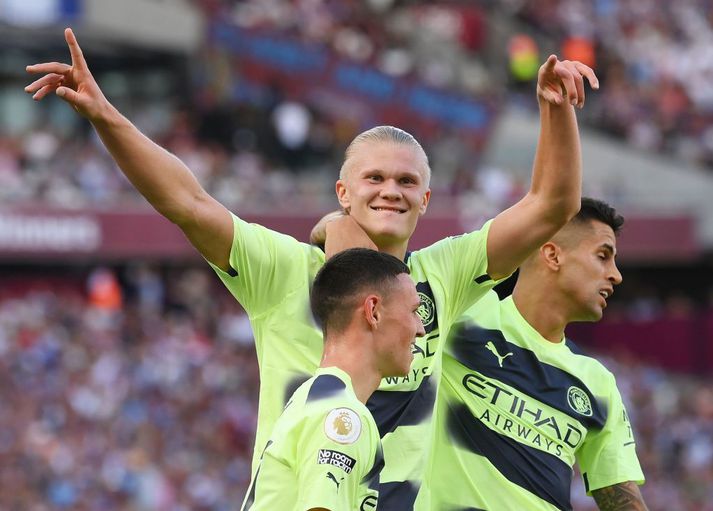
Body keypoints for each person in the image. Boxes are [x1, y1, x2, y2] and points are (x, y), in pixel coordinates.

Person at [26, 28, 598, 509]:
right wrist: (106, 118)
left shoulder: (442, 275)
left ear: (427, 201)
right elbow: (188, 202)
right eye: (374, 179)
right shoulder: (282, 270)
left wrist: (555, 110)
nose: (390, 191)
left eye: (407, 182)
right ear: (343, 193)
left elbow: (552, 206)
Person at [417, 198, 648, 510]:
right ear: (552, 255)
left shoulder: (597, 383)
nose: (616, 275)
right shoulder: (462, 317)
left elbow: (622, 501)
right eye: (603, 256)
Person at [243, 248, 425, 510]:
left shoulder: (317, 397)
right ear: (373, 311)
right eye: (413, 311)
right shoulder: (342, 416)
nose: (420, 329)